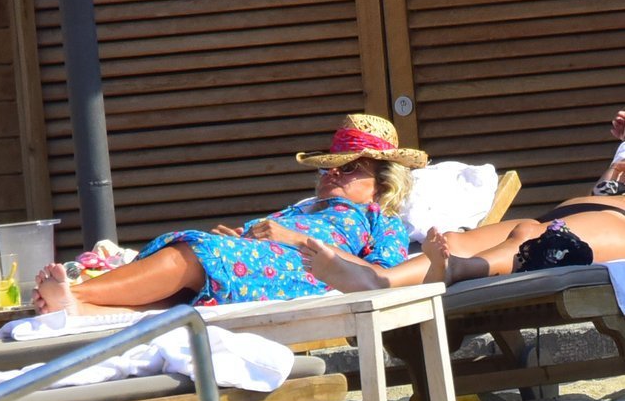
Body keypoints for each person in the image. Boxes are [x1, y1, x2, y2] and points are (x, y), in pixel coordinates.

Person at [32, 113, 428, 315]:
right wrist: (243, 238)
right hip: (260, 263)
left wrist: (297, 240)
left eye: (351, 167)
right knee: (194, 259)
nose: (334, 174)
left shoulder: (381, 220)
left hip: (306, 275)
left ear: (382, 183)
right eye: (330, 167)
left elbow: (379, 277)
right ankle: (81, 309)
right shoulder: (303, 208)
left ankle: (76, 294)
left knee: (197, 253)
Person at [303, 110, 625, 290]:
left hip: (619, 221)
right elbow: (604, 192)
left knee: (539, 240)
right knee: (457, 240)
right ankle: (380, 280)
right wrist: (619, 159)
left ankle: (456, 270)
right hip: (577, 210)